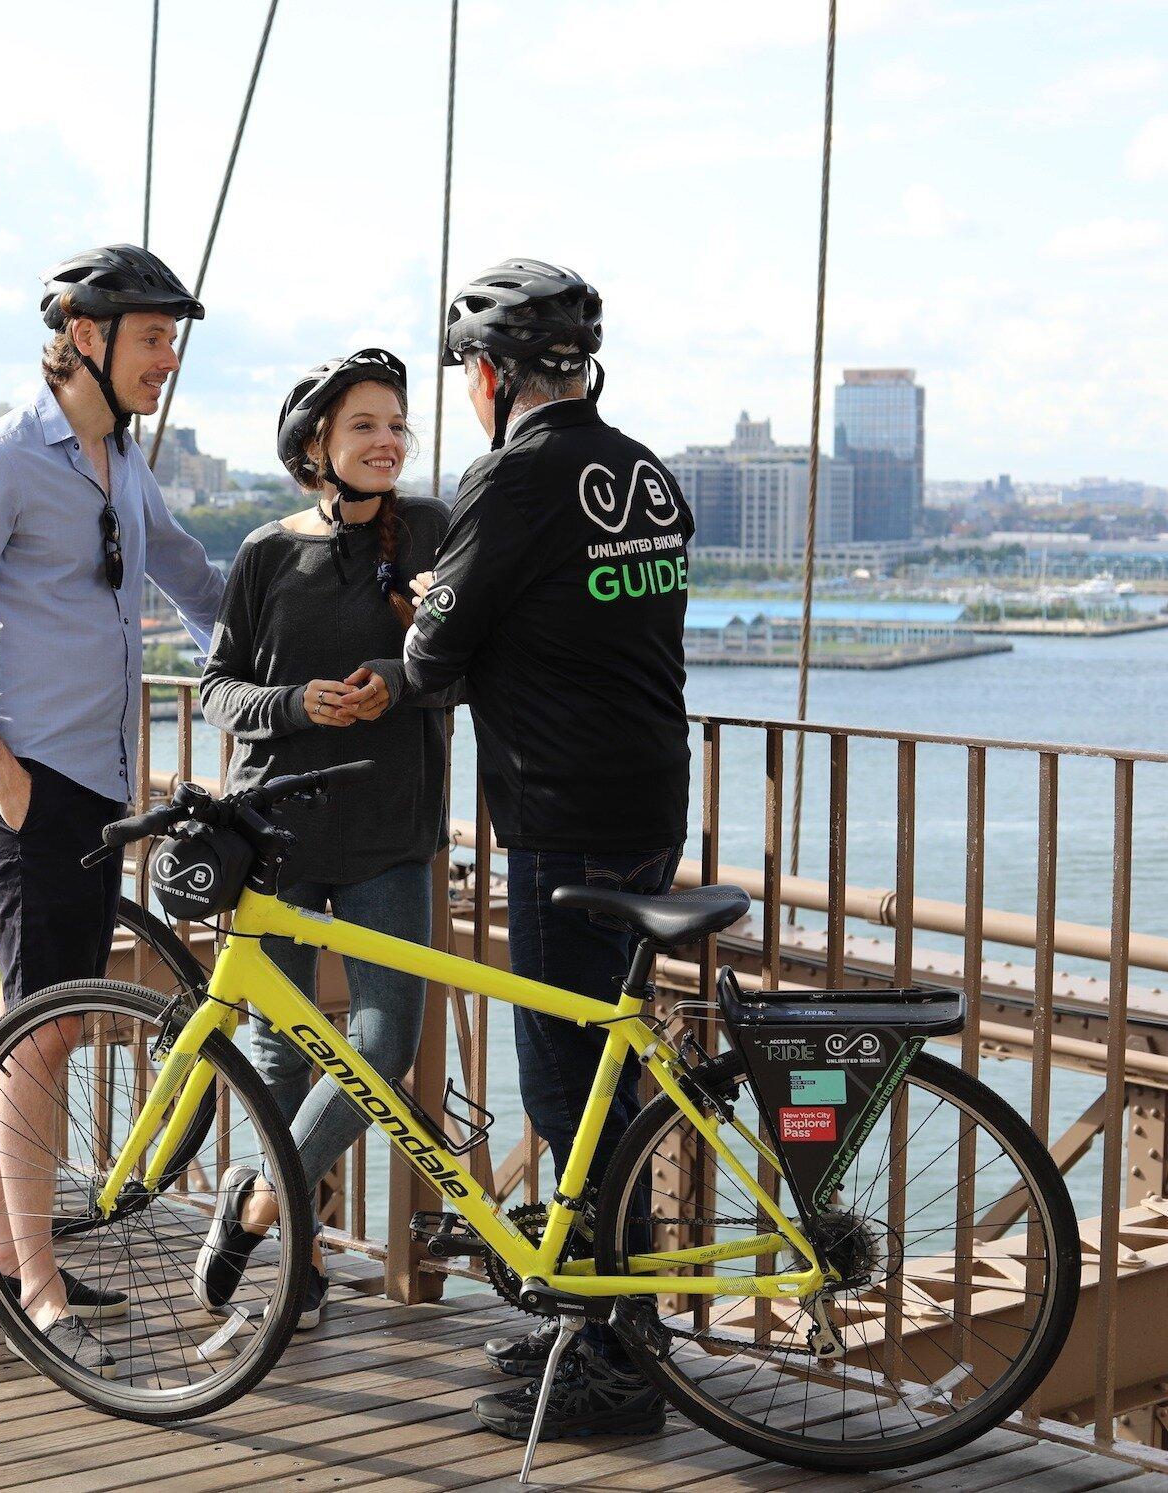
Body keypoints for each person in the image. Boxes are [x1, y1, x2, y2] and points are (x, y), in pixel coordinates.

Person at [0, 244, 225, 1369]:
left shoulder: (119, 461)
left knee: (55, 1023)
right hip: (31, 782)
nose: (166, 358)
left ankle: (9, 1245)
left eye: (171, 339)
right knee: (39, 1037)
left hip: (96, 784)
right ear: (84, 335)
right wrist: (1, 767)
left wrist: (326, 637)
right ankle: (34, 1284)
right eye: (150, 338)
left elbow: (196, 584)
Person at [400, 259, 693, 1441]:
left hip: (560, 813)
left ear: (487, 376)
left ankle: (617, 1360)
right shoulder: (643, 472)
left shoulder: (513, 477)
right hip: (649, 803)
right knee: (606, 1074)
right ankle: (590, 1309)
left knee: (567, 1083)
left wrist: (431, 601)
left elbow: (430, 660)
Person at [186, 348, 454, 1333]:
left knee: (383, 1041)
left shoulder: (431, 530)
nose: (386, 441)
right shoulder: (266, 553)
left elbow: (468, 663)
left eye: (396, 425)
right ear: (316, 446)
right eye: (364, 427)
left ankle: (258, 1205)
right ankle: (295, 1260)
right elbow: (216, 689)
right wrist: (298, 702)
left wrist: (401, 676)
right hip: (279, 832)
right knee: (280, 1049)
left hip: (391, 831)